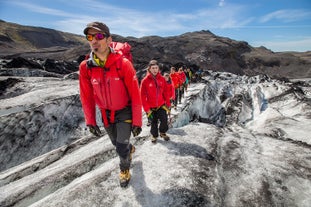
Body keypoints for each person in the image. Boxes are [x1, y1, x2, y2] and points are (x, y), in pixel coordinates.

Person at [79, 21, 142, 187]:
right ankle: (129, 148)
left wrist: (137, 121)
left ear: (108, 40)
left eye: (99, 36)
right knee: (116, 143)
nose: (94, 40)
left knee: (121, 147)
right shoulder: (86, 67)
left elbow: (135, 95)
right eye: (90, 36)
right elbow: (86, 97)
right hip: (106, 114)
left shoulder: (123, 64)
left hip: (124, 111)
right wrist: (90, 120)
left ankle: (124, 170)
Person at [140, 60, 171, 143]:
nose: (155, 70)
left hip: (161, 105)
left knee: (164, 120)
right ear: (149, 69)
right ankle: (154, 135)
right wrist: (146, 108)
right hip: (151, 107)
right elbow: (142, 96)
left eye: (156, 68)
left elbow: (165, 92)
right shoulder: (145, 81)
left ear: (158, 69)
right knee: (153, 122)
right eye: (153, 68)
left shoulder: (162, 79)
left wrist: (168, 103)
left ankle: (162, 132)